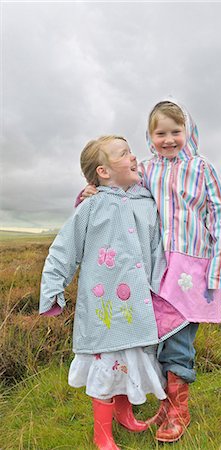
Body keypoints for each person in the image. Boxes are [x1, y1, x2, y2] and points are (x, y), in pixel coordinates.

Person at [79, 100, 221, 443]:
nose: (168, 139)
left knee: (179, 342)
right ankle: (159, 403)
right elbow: (121, 190)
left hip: (191, 269)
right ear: (150, 136)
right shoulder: (147, 169)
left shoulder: (202, 168)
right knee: (154, 340)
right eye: (160, 132)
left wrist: (220, 271)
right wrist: (92, 191)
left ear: (188, 132)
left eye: (175, 131)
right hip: (151, 270)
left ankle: (178, 411)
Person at [39, 135, 188, 450]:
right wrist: (53, 289)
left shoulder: (147, 201)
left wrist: (168, 287)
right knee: (108, 365)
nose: (134, 157)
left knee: (130, 360)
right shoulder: (91, 206)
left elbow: (158, 250)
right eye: (124, 153)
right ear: (103, 172)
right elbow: (64, 250)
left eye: (132, 151)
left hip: (140, 303)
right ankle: (102, 435)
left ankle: (124, 414)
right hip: (103, 306)